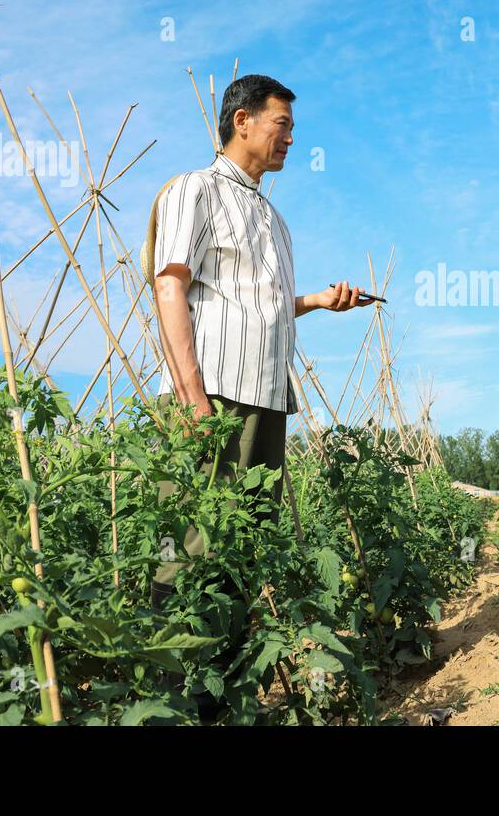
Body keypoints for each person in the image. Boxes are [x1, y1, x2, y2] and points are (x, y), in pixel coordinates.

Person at [143, 73, 373, 607]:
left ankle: (225, 684)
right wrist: (192, 396)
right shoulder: (194, 189)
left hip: (267, 397)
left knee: (246, 544)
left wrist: (315, 301)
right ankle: (177, 684)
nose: (291, 139)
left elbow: (258, 307)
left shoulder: (273, 219)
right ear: (241, 121)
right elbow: (169, 282)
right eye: (282, 125)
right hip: (215, 396)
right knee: (191, 544)